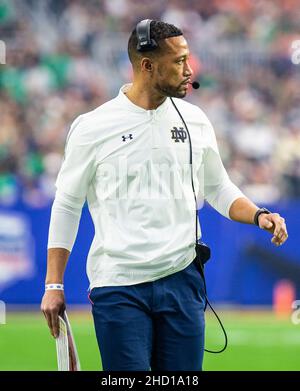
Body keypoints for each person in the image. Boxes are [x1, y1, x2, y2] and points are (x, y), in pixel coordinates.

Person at [41, 20, 288, 371]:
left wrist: (258, 215)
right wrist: (54, 283)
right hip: (119, 284)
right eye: (179, 61)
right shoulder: (92, 127)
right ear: (147, 65)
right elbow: (67, 204)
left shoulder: (196, 120)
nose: (190, 70)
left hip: (182, 279)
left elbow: (218, 187)